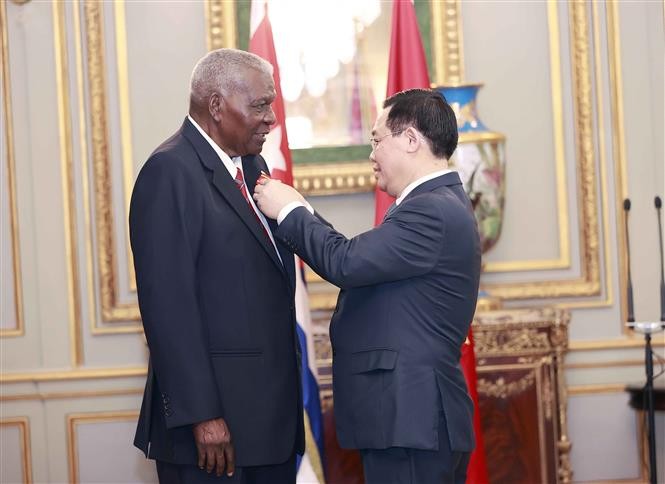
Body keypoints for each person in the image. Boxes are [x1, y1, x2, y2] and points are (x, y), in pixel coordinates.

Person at [254, 88, 481, 484]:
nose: (371, 154)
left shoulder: (431, 210)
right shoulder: (436, 204)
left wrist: (289, 209)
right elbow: (359, 258)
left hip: (412, 422)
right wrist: (301, 209)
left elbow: (346, 262)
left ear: (411, 140)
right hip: (407, 421)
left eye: (377, 140)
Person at [129, 48, 304, 484]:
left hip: (267, 427)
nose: (271, 119)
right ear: (216, 105)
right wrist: (203, 416)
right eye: (261, 105)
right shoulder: (169, 171)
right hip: (212, 436)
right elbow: (168, 307)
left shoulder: (252, 166)